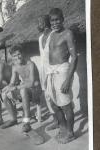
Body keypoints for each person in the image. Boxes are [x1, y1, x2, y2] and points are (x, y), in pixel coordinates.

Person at [44, 8, 78, 144]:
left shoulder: (68, 34)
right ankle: (63, 128)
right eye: (52, 20)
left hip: (63, 71)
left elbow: (74, 58)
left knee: (66, 105)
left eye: (57, 19)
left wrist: (68, 80)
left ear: (63, 19)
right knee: (53, 103)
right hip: (51, 72)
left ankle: (70, 133)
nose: (55, 23)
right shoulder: (51, 35)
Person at [1, 44, 42, 132]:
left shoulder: (30, 64)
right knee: (4, 94)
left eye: (19, 54)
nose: (17, 57)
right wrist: (8, 88)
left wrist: (15, 88)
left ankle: (27, 122)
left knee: (23, 90)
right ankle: (13, 119)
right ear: (12, 57)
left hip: (35, 90)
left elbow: (31, 83)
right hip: (24, 88)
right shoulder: (14, 66)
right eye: (14, 56)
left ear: (23, 54)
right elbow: (12, 82)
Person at [37, 15, 58, 128]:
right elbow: (42, 56)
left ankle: (61, 120)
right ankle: (56, 120)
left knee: (56, 94)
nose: (37, 25)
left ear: (45, 23)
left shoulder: (53, 35)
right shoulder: (40, 38)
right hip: (44, 69)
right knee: (47, 95)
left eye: (39, 22)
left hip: (54, 69)